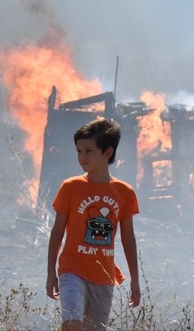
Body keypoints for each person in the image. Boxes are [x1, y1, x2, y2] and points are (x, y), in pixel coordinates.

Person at [46, 118, 141, 331]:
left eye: (88, 151)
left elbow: (128, 237)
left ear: (107, 153)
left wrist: (135, 279)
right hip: (72, 270)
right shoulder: (71, 187)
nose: (82, 157)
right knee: (72, 323)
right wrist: (51, 271)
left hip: (103, 276)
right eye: (79, 151)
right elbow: (57, 231)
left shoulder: (124, 192)